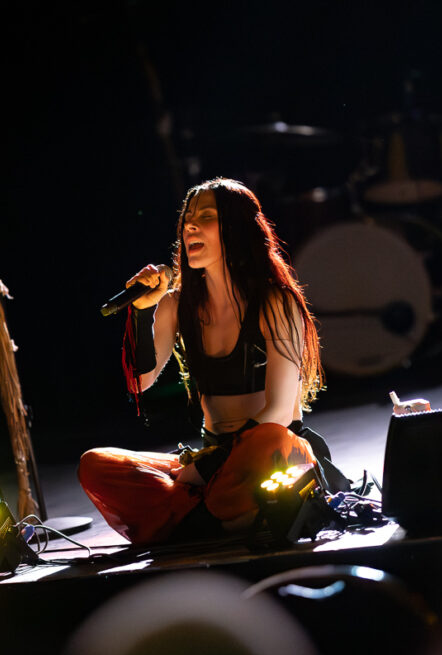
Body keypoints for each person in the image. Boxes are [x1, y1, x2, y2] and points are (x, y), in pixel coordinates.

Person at [79, 177, 348, 545]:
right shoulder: (176, 304)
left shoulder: (275, 301)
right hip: (210, 459)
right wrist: (142, 312)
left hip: (270, 453)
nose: (190, 226)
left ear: (236, 228)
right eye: (187, 219)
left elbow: (279, 413)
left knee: (267, 439)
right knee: (95, 464)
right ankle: (222, 514)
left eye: (205, 216)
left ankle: (191, 515)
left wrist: (206, 469)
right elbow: (139, 382)